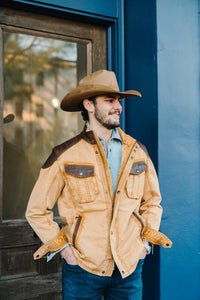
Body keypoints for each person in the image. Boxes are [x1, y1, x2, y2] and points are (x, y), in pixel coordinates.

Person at [26, 70, 172, 300]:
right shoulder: (64, 155)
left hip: (129, 269)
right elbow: (36, 211)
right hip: (83, 269)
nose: (118, 107)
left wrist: (143, 246)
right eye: (109, 100)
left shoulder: (137, 151)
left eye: (119, 101)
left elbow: (152, 201)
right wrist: (65, 251)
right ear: (89, 105)